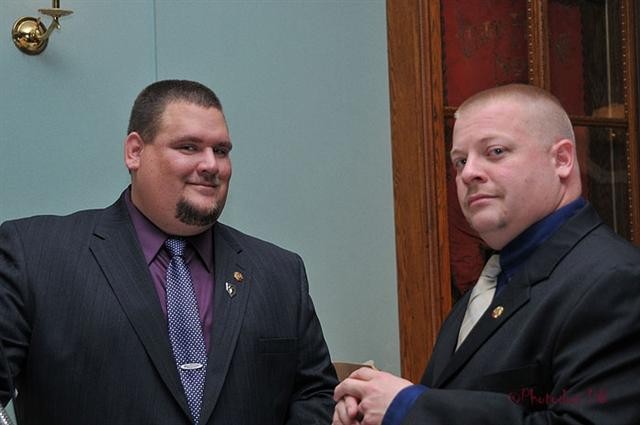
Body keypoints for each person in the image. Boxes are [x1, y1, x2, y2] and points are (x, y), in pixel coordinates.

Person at [0, 80, 338, 425]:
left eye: (221, 150)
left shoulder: (279, 272)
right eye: (189, 147)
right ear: (135, 152)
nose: (211, 165)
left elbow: (315, 393)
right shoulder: (35, 254)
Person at [333, 83, 640, 425]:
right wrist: (377, 406)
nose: (468, 173)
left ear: (562, 159)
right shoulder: (493, 282)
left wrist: (409, 408)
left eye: (495, 151)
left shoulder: (616, 281)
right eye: (460, 160)